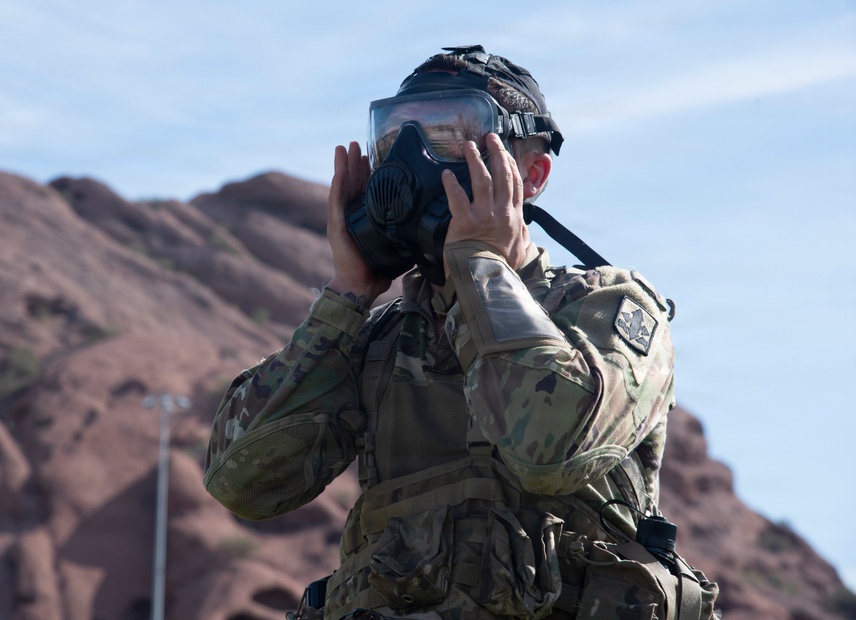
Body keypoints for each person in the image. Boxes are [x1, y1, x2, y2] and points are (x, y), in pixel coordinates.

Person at [204, 45, 718, 619]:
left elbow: (549, 451)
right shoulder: (380, 342)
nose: (409, 158)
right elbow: (242, 482)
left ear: (533, 175)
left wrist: (478, 263)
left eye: (449, 135)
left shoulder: (606, 307)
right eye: (394, 136)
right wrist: (347, 295)